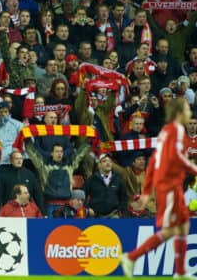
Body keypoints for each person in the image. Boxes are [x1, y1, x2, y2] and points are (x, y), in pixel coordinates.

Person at [121, 98, 197, 278]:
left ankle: (179, 271)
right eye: (186, 110)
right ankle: (132, 257)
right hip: (169, 186)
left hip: (172, 185)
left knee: (182, 226)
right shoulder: (175, 132)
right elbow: (175, 158)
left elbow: (155, 160)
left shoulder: (169, 132)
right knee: (171, 229)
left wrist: (147, 192)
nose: (188, 113)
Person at [0, 150, 43, 216]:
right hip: (10, 211)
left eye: (21, 158)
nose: (19, 161)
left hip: (28, 210)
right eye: (16, 159)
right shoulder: (4, 176)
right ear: (11, 160)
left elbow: (38, 195)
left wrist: (43, 213)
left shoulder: (29, 174)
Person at [84, 153, 128, 218]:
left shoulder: (118, 179)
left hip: (114, 214)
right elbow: (83, 196)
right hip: (95, 215)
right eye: (104, 161)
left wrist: (120, 210)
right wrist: (88, 209)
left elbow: (124, 198)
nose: (108, 163)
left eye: (110, 161)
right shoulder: (91, 180)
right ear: (99, 165)